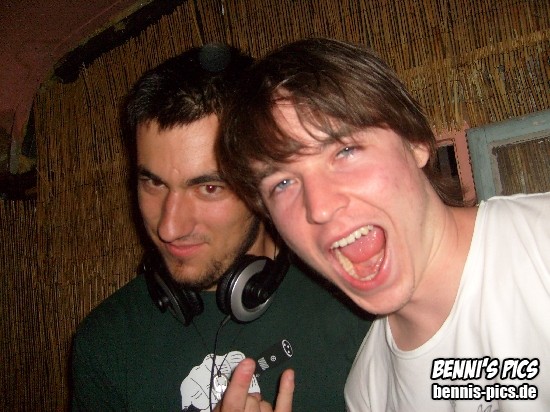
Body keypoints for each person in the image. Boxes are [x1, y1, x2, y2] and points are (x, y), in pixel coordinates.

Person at [216, 37, 550, 411]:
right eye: (282, 183)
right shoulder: (367, 393)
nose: (319, 207)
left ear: (415, 141)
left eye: (345, 150)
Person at [71, 43, 372, 411]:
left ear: (261, 180)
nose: (169, 227)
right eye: (154, 183)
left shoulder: (357, 306)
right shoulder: (107, 343)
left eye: (209, 188)